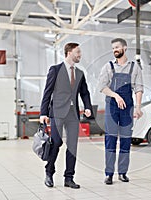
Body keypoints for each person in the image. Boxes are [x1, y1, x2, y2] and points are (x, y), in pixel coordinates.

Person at [39, 42, 92, 189]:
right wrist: (43, 112)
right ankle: (49, 172)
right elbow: (47, 92)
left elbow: (85, 93)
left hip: (73, 114)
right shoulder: (55, 70)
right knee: (56, 142)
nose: (80, 55)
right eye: (78, 52)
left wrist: (87, 107)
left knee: (73, 146)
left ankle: (69, 178)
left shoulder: (80, 73)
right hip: (57, 112)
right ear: (69, 52)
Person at [98, 38, 143, 185]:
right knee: (110, 140)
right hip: (112, 107)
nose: (114, 50)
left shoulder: (134, 67)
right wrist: (115, 95)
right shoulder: (108, 67)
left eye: (117, 47)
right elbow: (102, 87)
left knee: (125, 140)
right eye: (113, 48)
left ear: (124, 48)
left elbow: (138, 88)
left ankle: (122, 172)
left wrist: (137, 107)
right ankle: (109, 174)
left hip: (128, 108)